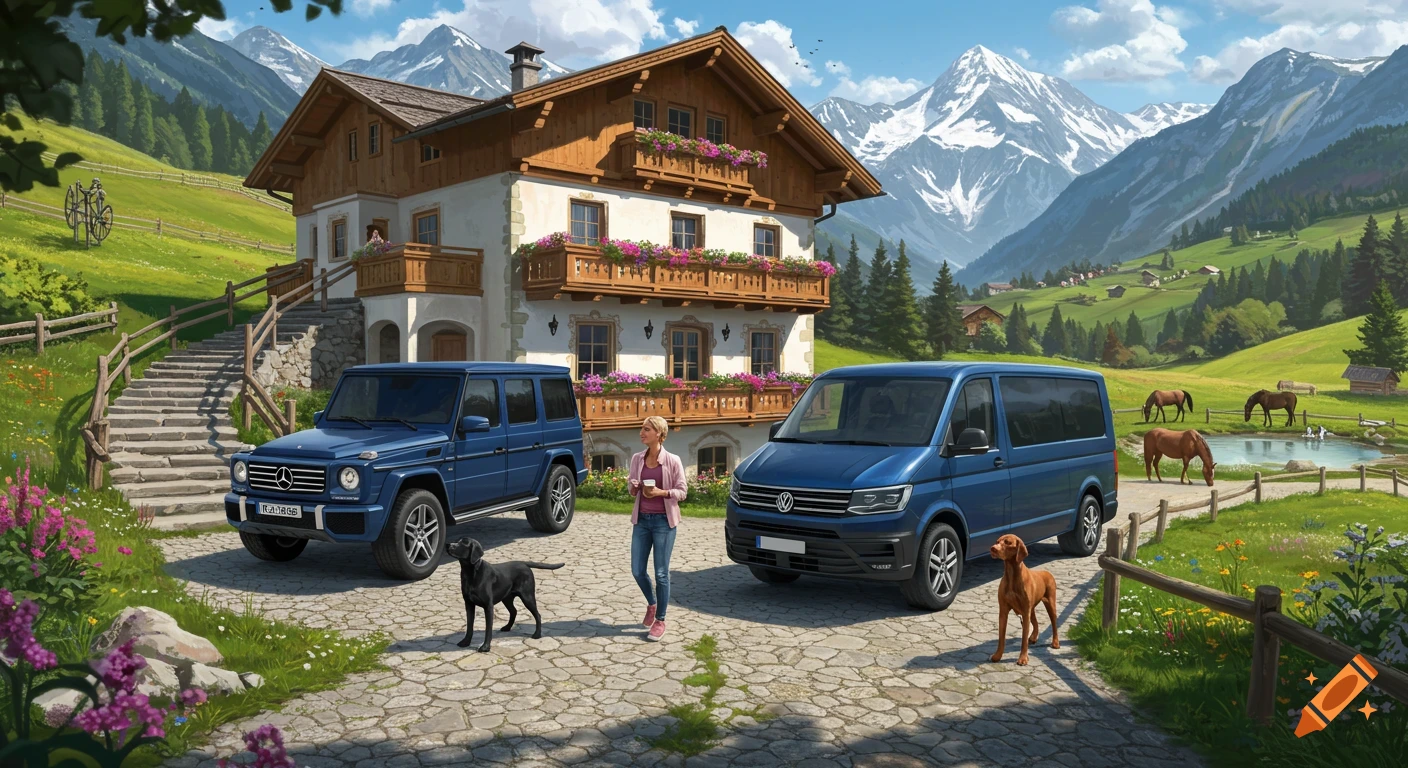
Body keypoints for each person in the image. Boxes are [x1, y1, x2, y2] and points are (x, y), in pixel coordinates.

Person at [628, 416, 687, 642]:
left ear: (659, 434)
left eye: (646, 429)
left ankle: (660, 620)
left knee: (661, 573)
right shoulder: (637, 459)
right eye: (642, 429)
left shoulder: (672, 460)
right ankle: (652, 604)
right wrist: (635, 488)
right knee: (637, 570)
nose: (641, 432)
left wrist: (661, 493)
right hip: (642, 521)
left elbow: (682, 491)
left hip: (664, 522)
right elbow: (632, 488)